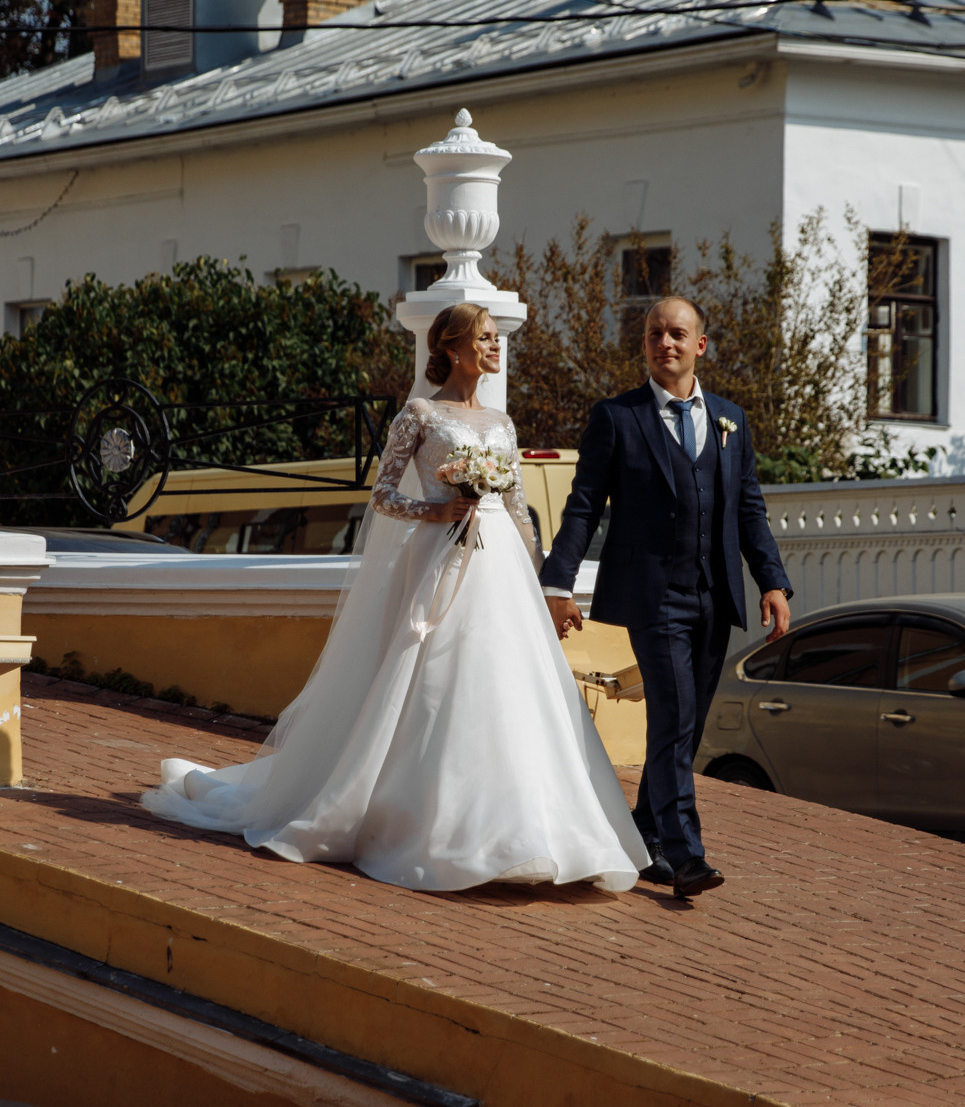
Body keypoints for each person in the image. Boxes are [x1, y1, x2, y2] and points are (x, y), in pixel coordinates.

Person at [140, 303, 647, 894]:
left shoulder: (503, 424)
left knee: (513, 687)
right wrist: (436, 509)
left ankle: (527, 830)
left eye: (495, 338)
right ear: (454, 348)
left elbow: (516, 510)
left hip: (500, 569)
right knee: (432, 684)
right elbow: (381, 495)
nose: (495, 346)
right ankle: (427, 821)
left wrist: (541, 584)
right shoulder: (420, 414)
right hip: (440, 563)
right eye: (484, 338)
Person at [537, 296, 792, 899]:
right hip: (653, 598)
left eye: (677, 333)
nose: (664, 343)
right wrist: (556, 584)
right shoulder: (617, 418)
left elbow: (749, 508)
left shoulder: (731, 420)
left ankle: (642, 836)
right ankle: (685, 855)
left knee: (687, 725)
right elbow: (582, 507)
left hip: (714, 596)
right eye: (654, 334)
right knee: (673, 716)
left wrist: (772, 581)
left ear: (700, 344)